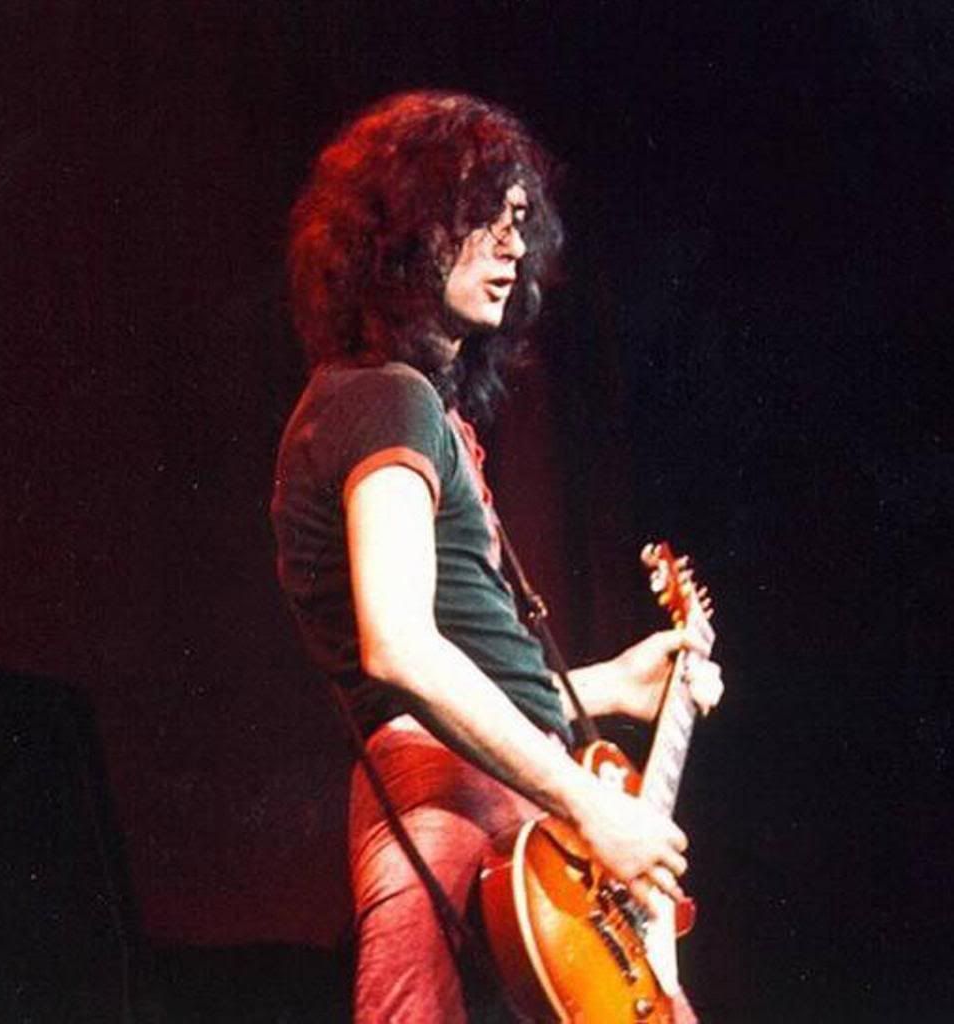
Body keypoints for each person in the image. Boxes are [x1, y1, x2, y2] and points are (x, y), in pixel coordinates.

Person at [270, 91, 723, 1023]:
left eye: (522, 223)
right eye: (485, 217)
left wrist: (608, 686)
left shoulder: (410, 408)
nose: (514, 248)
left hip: (506, 796)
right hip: (453, 794)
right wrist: (590, 806)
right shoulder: (381, 398)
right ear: (401, 231)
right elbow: (400, 649)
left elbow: (462, 664)